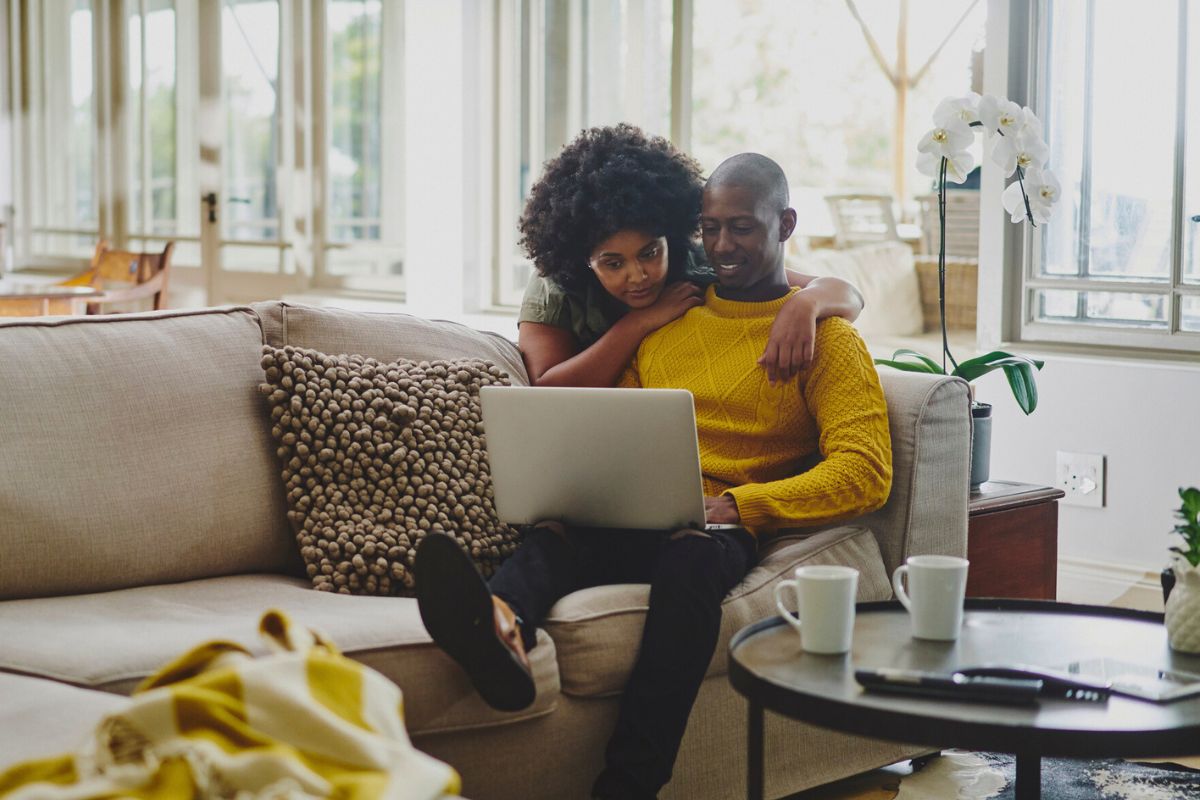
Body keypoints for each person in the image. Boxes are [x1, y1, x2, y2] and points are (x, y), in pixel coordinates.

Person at [415, 152, 894, 800]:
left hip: (719, 523)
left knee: (689, 563)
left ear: (784, 224)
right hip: (644, 507)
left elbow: (865, 472)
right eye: (712, 228)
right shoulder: (669, 324)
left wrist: (745, 505)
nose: (723, 245)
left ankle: (629, 786)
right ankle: (500, 624)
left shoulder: (827, 339)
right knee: (559, 534)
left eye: (743, 228)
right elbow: (619, 425)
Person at [516, 124, 865, 387]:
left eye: (650, 252)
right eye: (613, 263)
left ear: (672, 234)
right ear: (583, 259)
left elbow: (848, 295)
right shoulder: (555, 283)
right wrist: (640, 322)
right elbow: (546, 388)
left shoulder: (701, 261)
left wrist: (805, 304)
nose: (638, 276)